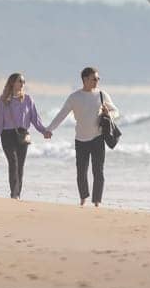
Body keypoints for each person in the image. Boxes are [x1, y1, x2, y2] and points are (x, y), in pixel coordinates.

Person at [48, 66, 119, 207]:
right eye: (94, 79)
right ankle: (83, 197)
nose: (97, 81)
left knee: (98, 171)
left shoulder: (102, 95)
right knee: (81, 172)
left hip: (98, 137)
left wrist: (108, 113)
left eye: (98, 78)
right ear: (85, 79)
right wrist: (50, 129)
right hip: (80, 139)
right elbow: (62, 114)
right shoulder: (75, 97)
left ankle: (97, 200)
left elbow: (116, 111)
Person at [0, 72, 50, 199]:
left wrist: (44, 131)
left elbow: (35, 119)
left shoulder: (28, 100)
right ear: (12, 83)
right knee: (13, 163)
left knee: (20, 165)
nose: (22, 84)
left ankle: (17, 193)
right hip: (7, 135)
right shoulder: (4, 100)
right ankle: (14, 194)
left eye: (23, 82)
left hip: (23, 135)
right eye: (20, 81)